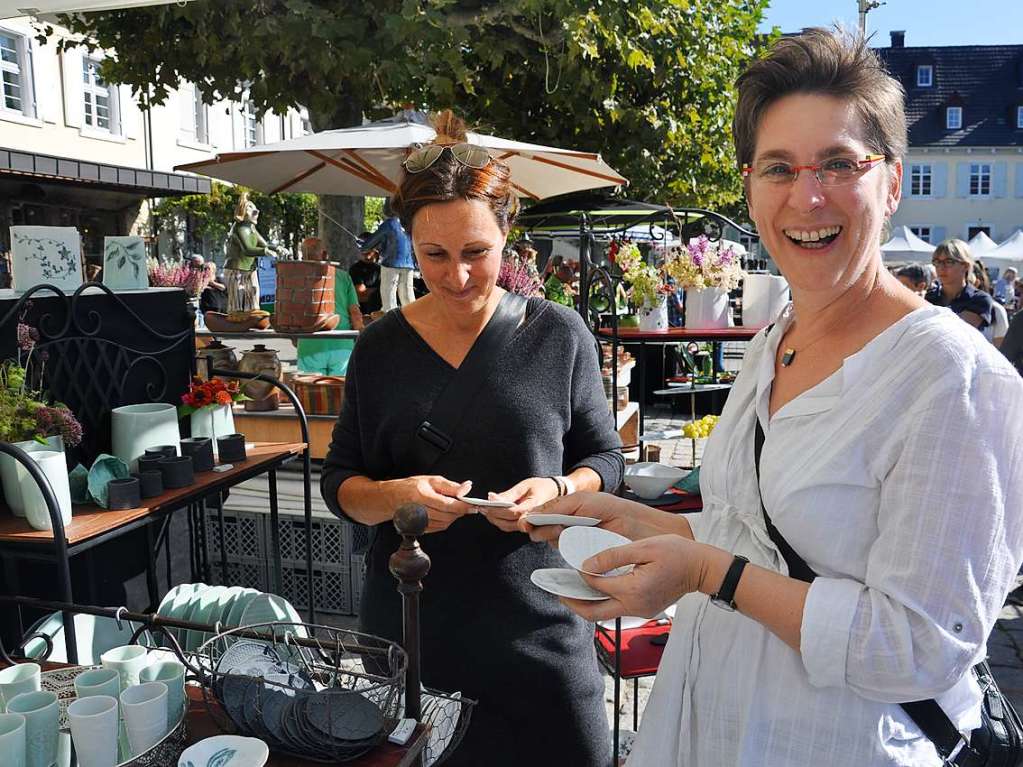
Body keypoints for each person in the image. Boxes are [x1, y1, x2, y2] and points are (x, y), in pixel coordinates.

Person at [522, 29, 1023, 767]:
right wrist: (638, 525)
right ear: (749, 187)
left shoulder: (954, 381)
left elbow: (917, 648)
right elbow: (757, 542)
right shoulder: (772, 341)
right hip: (705, 730)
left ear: (889, 183)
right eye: (777, 167)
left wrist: (702, 573)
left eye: (837, 164)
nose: (806, 195)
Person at [320, 111, 623, 767]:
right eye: (434, 255)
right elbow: (339, 482)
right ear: (406, 238)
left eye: (475, 253)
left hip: (542, 626)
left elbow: (605, 457)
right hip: (413, 634)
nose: (456, 276)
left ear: (506, 233)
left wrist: (560, 486)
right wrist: (396, 497)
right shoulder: (378, 347)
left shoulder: (559, 333)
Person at [295, 237, 363, 376]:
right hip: (342, 344)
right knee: (340, 392)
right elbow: (355, 313)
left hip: (310, 345)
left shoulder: (296, 278)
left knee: (311, 393)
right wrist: (361, 337)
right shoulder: (343, 277)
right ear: (325, 255)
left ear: (303, 256)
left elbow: (292, 315)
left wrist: (296, 338)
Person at [925, 239, 994, 331]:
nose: (941, 268)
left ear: (965, 266)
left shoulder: (979, 299)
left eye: (948, 262)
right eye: (937, 262)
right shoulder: (929, 297)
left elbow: (956, 331)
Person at [361, 200, 415, 311]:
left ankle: (389, 315)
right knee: (407, 293)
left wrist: (364, 245)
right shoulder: (408, 225)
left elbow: (372, 241)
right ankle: (413, 315)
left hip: (391, 262)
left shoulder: (390, 223)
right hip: (408, 263)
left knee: (388, 292)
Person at [349, 233, 382, 315]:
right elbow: (361, 295)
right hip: (364, 314)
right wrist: (381, 291)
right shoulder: (356, 269)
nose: (365, 253)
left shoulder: (382, 267)